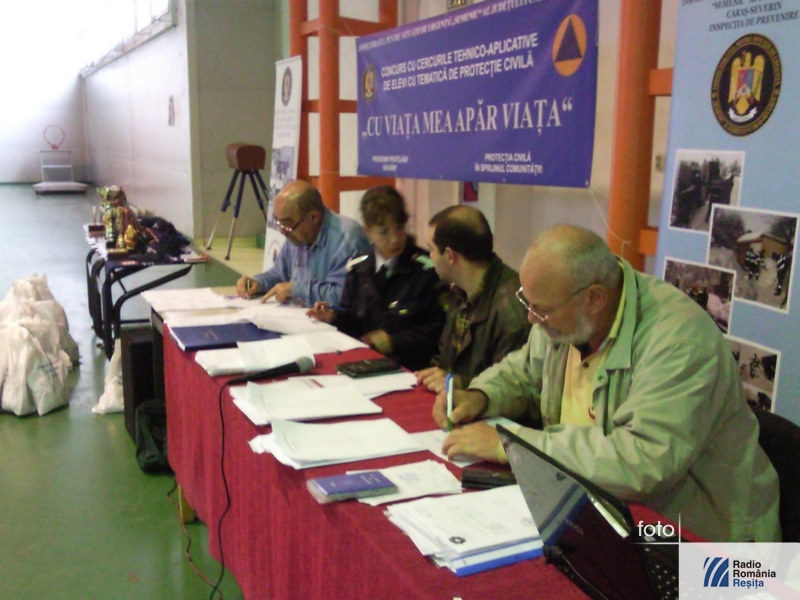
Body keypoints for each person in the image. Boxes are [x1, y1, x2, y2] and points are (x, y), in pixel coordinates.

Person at [433, 225, 780, 542]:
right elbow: (523, 372)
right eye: (528, 302)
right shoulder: (565, 316)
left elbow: (643, 461)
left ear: (594, 298)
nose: (531, 318)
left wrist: (513, 446)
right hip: (599, 509)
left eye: (541, 309)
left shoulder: (679, 340)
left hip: (707, 544)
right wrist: (480, 395)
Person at [306, 186, 446, 370]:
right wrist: (334, 316)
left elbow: (439, 330)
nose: (395, 239)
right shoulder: (358, 269)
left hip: (411, 368)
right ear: (368, 231)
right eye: (384, 232)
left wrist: (394, 341)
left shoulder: (427, 269)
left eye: (400, 228)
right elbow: (355, 324)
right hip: (366, 364)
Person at [415, 206, 530, 393]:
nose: (430, 256)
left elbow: (514, 386)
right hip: (454, 401)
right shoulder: (460, 290)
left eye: (432, 249)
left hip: (481, 408)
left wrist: (458, 382)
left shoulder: (513, 308)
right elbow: (445, 361)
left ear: (450, 255)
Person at [237, 180, 370, 306]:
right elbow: (279, 274)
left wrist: (296, 289)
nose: (282, 231)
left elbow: (346, 296)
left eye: (287, 224)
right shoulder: (296, 233)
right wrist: (257, 283)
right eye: (278, 222)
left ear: (313, 217)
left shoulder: (347, 240)